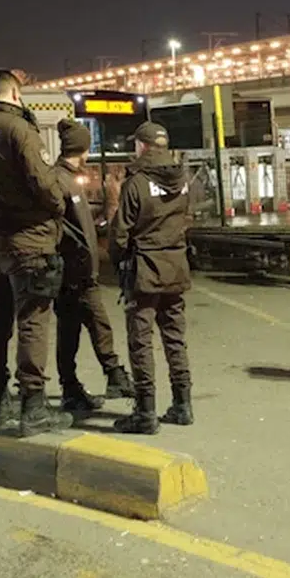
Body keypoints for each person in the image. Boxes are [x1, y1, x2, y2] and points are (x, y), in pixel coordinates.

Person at [0, 68, 69, 437]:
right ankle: (33, 406)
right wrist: (58, 204)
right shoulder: (18, 129)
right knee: (33, 320)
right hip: (28, 243)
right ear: (15, 94)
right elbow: (44, 183)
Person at [107, 121, 194, 434]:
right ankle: (183, 404)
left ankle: (145, 412)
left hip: (144, 269)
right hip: (176, 265)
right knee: (175, 337)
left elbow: (120, 232)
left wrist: (118, 261)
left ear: (142, 146)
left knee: (141, 340)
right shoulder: (182, 178)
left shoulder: (137, 182)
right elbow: (186, 217)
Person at [51, 118, 136, 413]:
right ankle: (111, 376)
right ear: (82, 149)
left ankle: (74, 386)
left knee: (72, 329)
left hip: (79, 269)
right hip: (74, 271)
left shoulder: (69, 179)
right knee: (92, 323)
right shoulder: (60, 180)